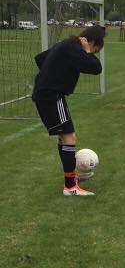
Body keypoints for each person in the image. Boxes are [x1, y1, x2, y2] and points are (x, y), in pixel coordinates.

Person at [32, 25, 105, 196]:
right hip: (51, 96)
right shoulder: (76, 49)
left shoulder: (66, 44)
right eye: (95, 50)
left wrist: (53, 73)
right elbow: (96, 68)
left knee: (63, 137)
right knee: (69, 137)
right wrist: (87, 52)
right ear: (91, 42)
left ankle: (71, 177)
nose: (93, 53)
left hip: (47, 94)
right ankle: (70, 187)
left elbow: (39, 58)